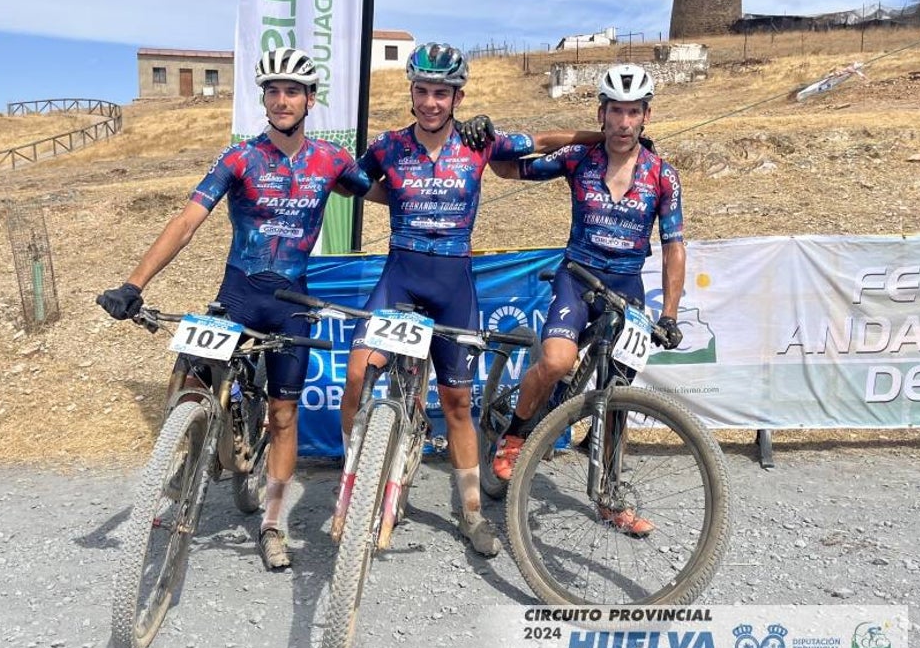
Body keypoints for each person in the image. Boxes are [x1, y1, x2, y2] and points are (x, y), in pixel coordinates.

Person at [97, 47, 372, 570]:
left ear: (310, 99)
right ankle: (179, 464)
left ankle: (273, 522)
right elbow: (186, 221)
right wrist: (133, 283)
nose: (283, 99)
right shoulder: (239, 157)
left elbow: (388, 190)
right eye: (274, 91)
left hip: (293, 300)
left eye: (293, 91)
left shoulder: (331, 160)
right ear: (264, 99)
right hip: (239, 293)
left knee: (284, 414)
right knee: (191, 379)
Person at [341, 42, 599, 557]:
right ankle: (359, 480)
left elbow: (546, 140)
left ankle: (472, 512)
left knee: (458, 403)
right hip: (401, 274)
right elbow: (354, 183)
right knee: (356, 375)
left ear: (456, 96)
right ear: (410, 92)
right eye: (422, 91)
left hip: (454, 283)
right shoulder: (387, 146)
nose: (431, 102)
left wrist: (612, 135)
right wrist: (388, 192)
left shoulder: (478, 142)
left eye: (442, 93)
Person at [486, 63, 686, 536]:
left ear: (646, 116)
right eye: (615, 111)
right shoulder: (580, 159)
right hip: (577, 278)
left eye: (633, 112)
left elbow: (675, 245)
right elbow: (506, 168)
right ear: (602, 113)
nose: (623, 122)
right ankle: (515, 436)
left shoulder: (663, 176)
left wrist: (670, 313)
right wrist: (579, 136)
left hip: (627, 292)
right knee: (556, 362)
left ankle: (610, 498)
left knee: (616, 400)